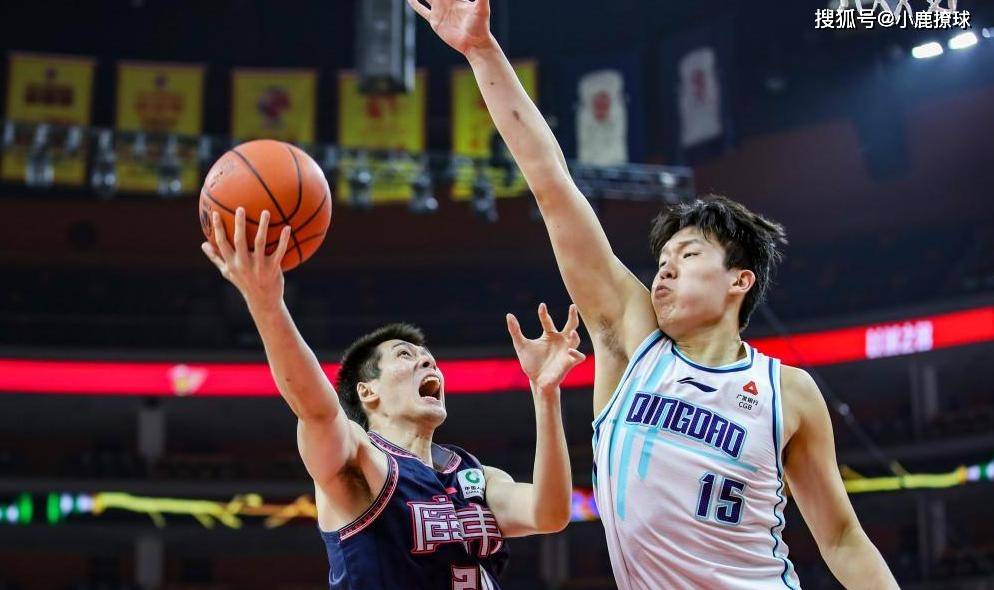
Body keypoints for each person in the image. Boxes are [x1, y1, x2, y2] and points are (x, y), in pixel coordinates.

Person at [408, 1, 900, 588]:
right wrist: (482, 52)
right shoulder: (631, 339)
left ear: (739, 280)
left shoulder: (788, 392)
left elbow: (842, 538)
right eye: (662, 261)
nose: (664, 272)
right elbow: (551, 184)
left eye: (687, 256)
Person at [200, 207, 585, 589]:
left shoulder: (475, 475)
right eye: (405, 355)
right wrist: (267, 305)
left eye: (429, 358)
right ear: (368, 391)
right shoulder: (360, 460)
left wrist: (545, 394)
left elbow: (550, 513)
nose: (428, 362)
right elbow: (316, 409)